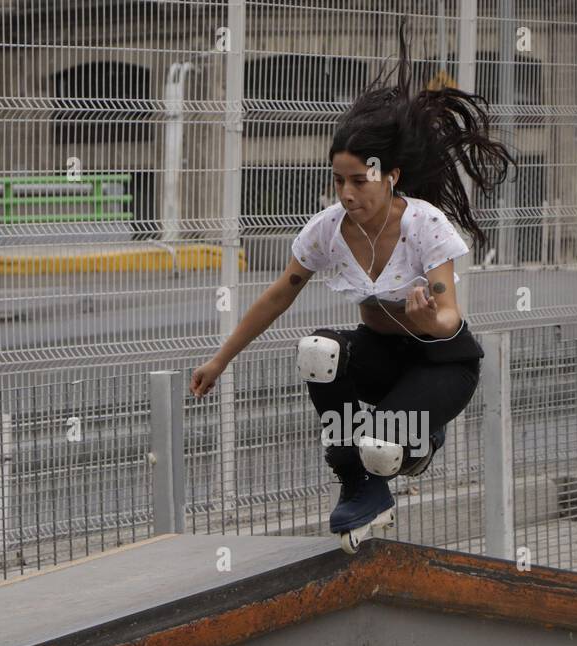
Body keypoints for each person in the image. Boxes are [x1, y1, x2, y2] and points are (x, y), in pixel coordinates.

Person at [190, 21, 516, 543]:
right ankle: (357, 485)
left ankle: (417, 444)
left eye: (358, 181)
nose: (345, 194)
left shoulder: (424, 224)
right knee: (319, 349)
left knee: (383, 446)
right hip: (381, 359)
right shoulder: (327, 231)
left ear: (390, 177)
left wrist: (431, 318)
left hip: (441, 363)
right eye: (337, 180)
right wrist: (220, 358)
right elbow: (278, 295)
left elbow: (449, 311)